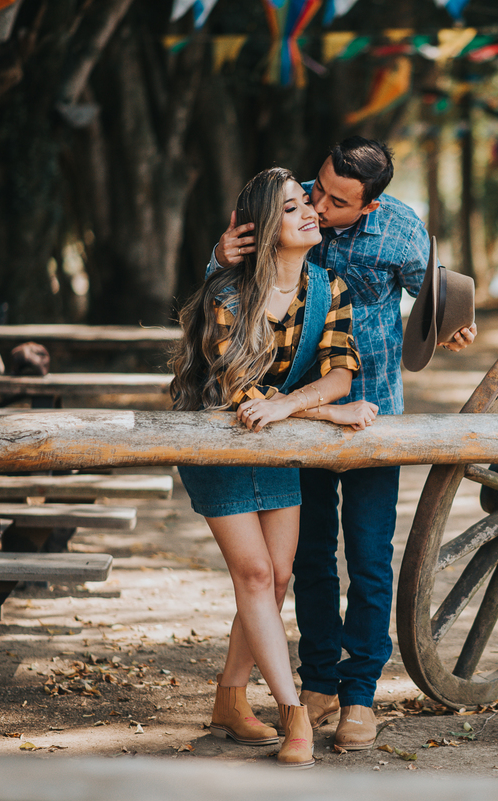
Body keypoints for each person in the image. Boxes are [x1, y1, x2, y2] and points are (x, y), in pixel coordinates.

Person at [209, 137, 476, 751]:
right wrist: (217, 253)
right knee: (306, 560)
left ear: (372, 206)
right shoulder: (290, 204)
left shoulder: (402, 230)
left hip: (367, 415)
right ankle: (319, 683)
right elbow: (225, 287)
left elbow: (433, 299)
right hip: (294, 411)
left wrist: (453, 323)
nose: (320, 205)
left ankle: (359, 697)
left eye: (338, 201)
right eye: (319, 188)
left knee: (368, 556)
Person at [171, 167, 378, 768]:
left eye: (304, 203)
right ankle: (293, 715)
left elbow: (339, 373)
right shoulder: (228, 295)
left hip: (276, 435)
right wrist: (330, 415)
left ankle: (230, 700)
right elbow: (239, 392)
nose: (310, 212)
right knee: (257, 576)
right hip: (214, 441)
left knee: (279, 577)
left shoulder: (327, 288)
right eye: (291, 209)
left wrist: (297, 405)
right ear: (262, 231)